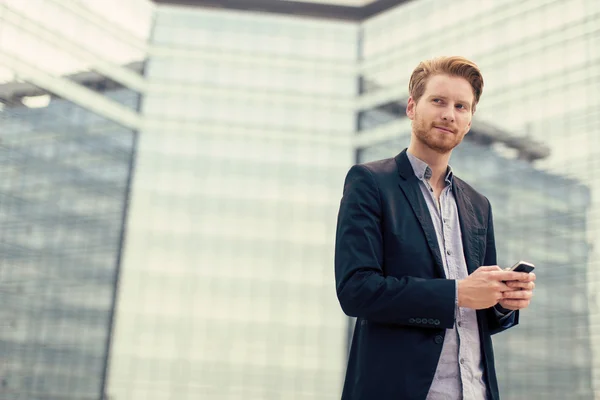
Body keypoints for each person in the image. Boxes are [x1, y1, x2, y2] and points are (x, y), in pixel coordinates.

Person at [334, 56, 536, 400]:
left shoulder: (479, 205)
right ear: (412, 107)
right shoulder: (370, 182)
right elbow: (356, 290)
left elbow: (477, 317)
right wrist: (457, 293)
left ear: (470, 121)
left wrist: (503, 302)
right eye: (438, 101)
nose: (449, 114)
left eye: (461, 106)